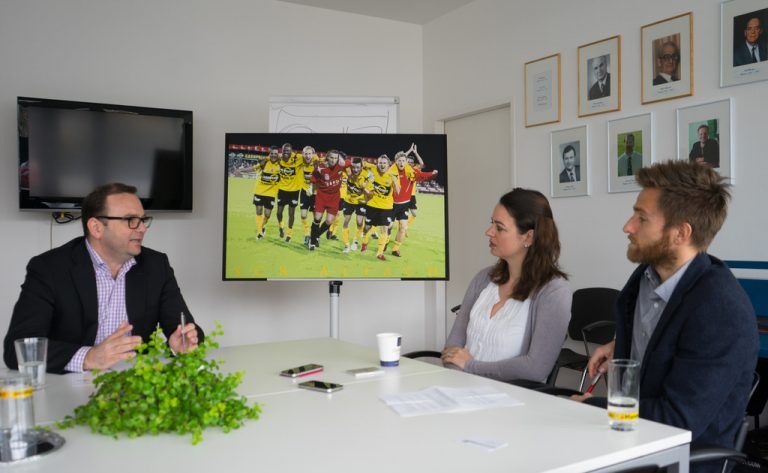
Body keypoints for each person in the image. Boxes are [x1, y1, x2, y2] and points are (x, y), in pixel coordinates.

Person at [578, 161, 757, 464]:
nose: (628, 226)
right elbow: (665, 335)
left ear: (681, 233)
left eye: (642, 218)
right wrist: (622, 344)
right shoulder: (646, 278)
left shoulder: (721, 310)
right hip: (627, 439)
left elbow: (678, 419)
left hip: (679, 460)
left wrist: (591, 407)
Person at [3, 183, 203, 374]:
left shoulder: (156, 265)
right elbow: (16, 349)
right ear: (96, 227)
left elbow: (186, 330)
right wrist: (88, 357)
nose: (142, 228)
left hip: (136, 385)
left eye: (143, 220)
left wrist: (180, 345)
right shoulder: (50, 268)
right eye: (131, 220)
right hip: (70, 384)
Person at [441, 188, 571, 382]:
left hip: (511, 398)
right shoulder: (483, 279)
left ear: (528, 237)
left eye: (499, 228)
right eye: (491, 223)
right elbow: (451, 349)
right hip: (461, 389)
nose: (489, 232)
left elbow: (536, 369)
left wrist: (470, 366)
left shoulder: (554, 292)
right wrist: (460, 380)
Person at [389, 148, 438, 257]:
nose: (402, 163)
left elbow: (422, 173)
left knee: (403, 227)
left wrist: (431, 173)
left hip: (406, 201)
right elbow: (399, 159)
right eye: (400, 161)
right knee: (389, 227)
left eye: (404, 161)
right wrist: (408, 152)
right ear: (396, 161)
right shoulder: (392, 170)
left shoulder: (412, 170)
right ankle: (384, 241)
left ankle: (395, 249)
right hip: (392, 203)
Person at [275, 143, 303, 243]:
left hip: (294, 191)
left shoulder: (297, 158)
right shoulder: (279, 158)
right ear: (281, 151)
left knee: (291, 214)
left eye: (288, 151)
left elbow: (312, 156)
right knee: (279, 213)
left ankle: (289, 234)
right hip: (282, 190)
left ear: (291, 151)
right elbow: (268, 158)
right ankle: (281, 226)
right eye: (284, 151)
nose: (286, 152)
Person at [252, 146, 281, 239]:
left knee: (267, 215)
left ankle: (262, 226)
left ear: (278, 154)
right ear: (269, 154)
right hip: (259, 191)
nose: (273, 155)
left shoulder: (281, 164)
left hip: (271, 193)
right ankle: (260, 232)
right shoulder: (264, 163)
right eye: (272, 153)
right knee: (259, 211)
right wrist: (240, 170)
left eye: (275, 153)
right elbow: (254, 168)